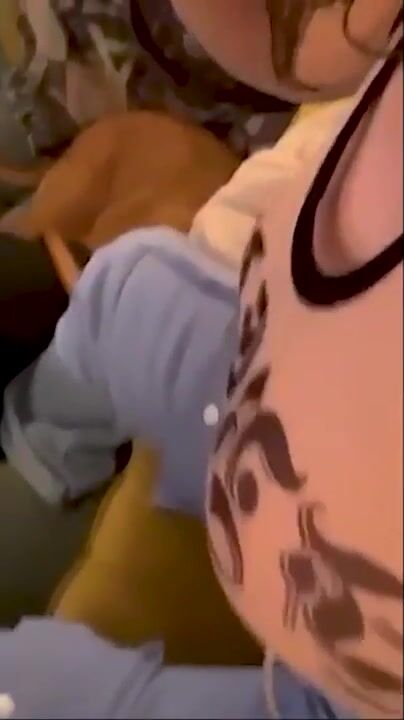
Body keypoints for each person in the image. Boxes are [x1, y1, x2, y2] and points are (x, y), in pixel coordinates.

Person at [0, 1, 402, 718]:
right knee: (128, 288)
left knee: (33, 695)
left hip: (342, 677)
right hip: (264, 360)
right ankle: (45, 451)